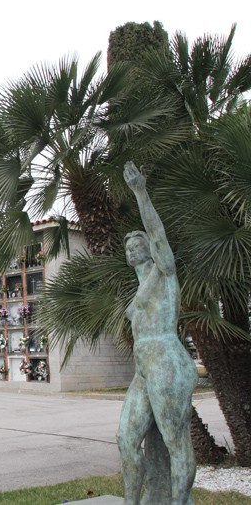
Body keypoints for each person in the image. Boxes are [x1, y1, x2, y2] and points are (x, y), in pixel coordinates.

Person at [117, 162, 198, 504]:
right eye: (128, 247)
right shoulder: (135, 296)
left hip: (167, 360)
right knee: (125, 438)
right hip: (143, 369)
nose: (132, 248)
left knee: (175, 441)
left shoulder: (164, 274)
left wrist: (139, 192)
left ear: (149, 249)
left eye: (138, 243)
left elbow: (158, 234)